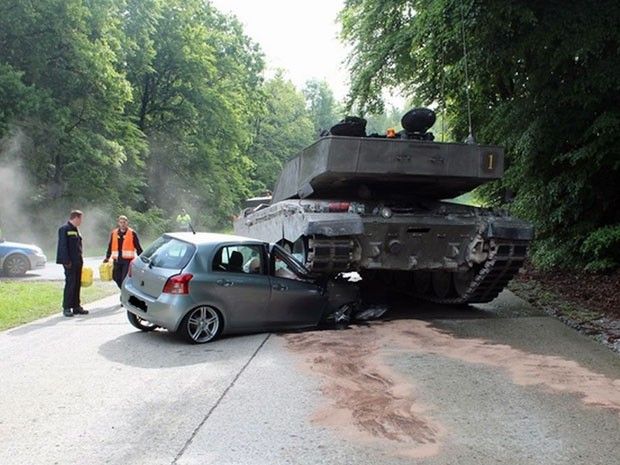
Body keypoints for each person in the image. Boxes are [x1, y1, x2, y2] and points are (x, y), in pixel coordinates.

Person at [56, 210, 87, 317]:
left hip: (78, 261)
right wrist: (65, 261)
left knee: (77, 284)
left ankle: (76, 306)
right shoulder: (64, 229)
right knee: (70, 284)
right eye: (81, 219)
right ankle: (67, 307)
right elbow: (62, 246)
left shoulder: (76, 229)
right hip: (70, 262)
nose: (81, 221)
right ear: (76, 218)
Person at [103, 215, 143, 289]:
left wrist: (142, 258)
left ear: (127, 223)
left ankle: (124, 292)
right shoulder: (114, 233)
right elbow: (110, 246)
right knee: (115, 277)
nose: (122, 224)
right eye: (121, 222)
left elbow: (138, 247)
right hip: (117, 260)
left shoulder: (132, 233)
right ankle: (123, 290)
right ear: (118, 223)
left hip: (127, 261)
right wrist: (107, 257)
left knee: (124, 278)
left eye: (124, 222)